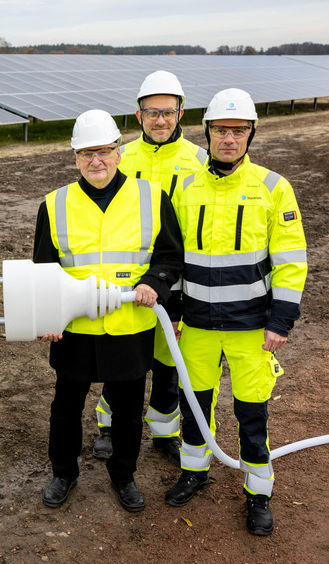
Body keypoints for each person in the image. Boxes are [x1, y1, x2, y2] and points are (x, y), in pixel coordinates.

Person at [164, 88, 307, 536]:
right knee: (194, 404)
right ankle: (194, 471)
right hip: (199, 324)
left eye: (238, 130)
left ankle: (258, 491)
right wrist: (174, 312)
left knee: (252, 411)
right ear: (206, 133)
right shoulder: (185, 188)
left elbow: (290, 259)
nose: (229, 139)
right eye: (221, 130)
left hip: (252, 327)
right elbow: (170, 257)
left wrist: (281, 320)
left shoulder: (272, 187)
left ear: (251, 135)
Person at [33, 110, 184, 512]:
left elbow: (170, 254)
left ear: (119, 152)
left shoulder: (151, 197)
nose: (95, 161)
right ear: (74, 157)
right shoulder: (54, 204)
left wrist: (155, 282)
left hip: (129, 327)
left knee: (129, 413)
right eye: (86, 154)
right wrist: (48, 317)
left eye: (103, 151)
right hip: (75, 329)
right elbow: (42, 271)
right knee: (65, 408)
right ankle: (63, 472)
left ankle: (124, 475)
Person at [92, 71, 207, 466]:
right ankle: (107, 424)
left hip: (178, 275)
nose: (160, 120)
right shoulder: (122, 157)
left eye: (168, 112)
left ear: (180, 113)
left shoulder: (199, 160)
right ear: (138, 115)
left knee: (169, 358)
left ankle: (164, 430)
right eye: (151, 112)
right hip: (127, 280)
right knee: (122, 353)